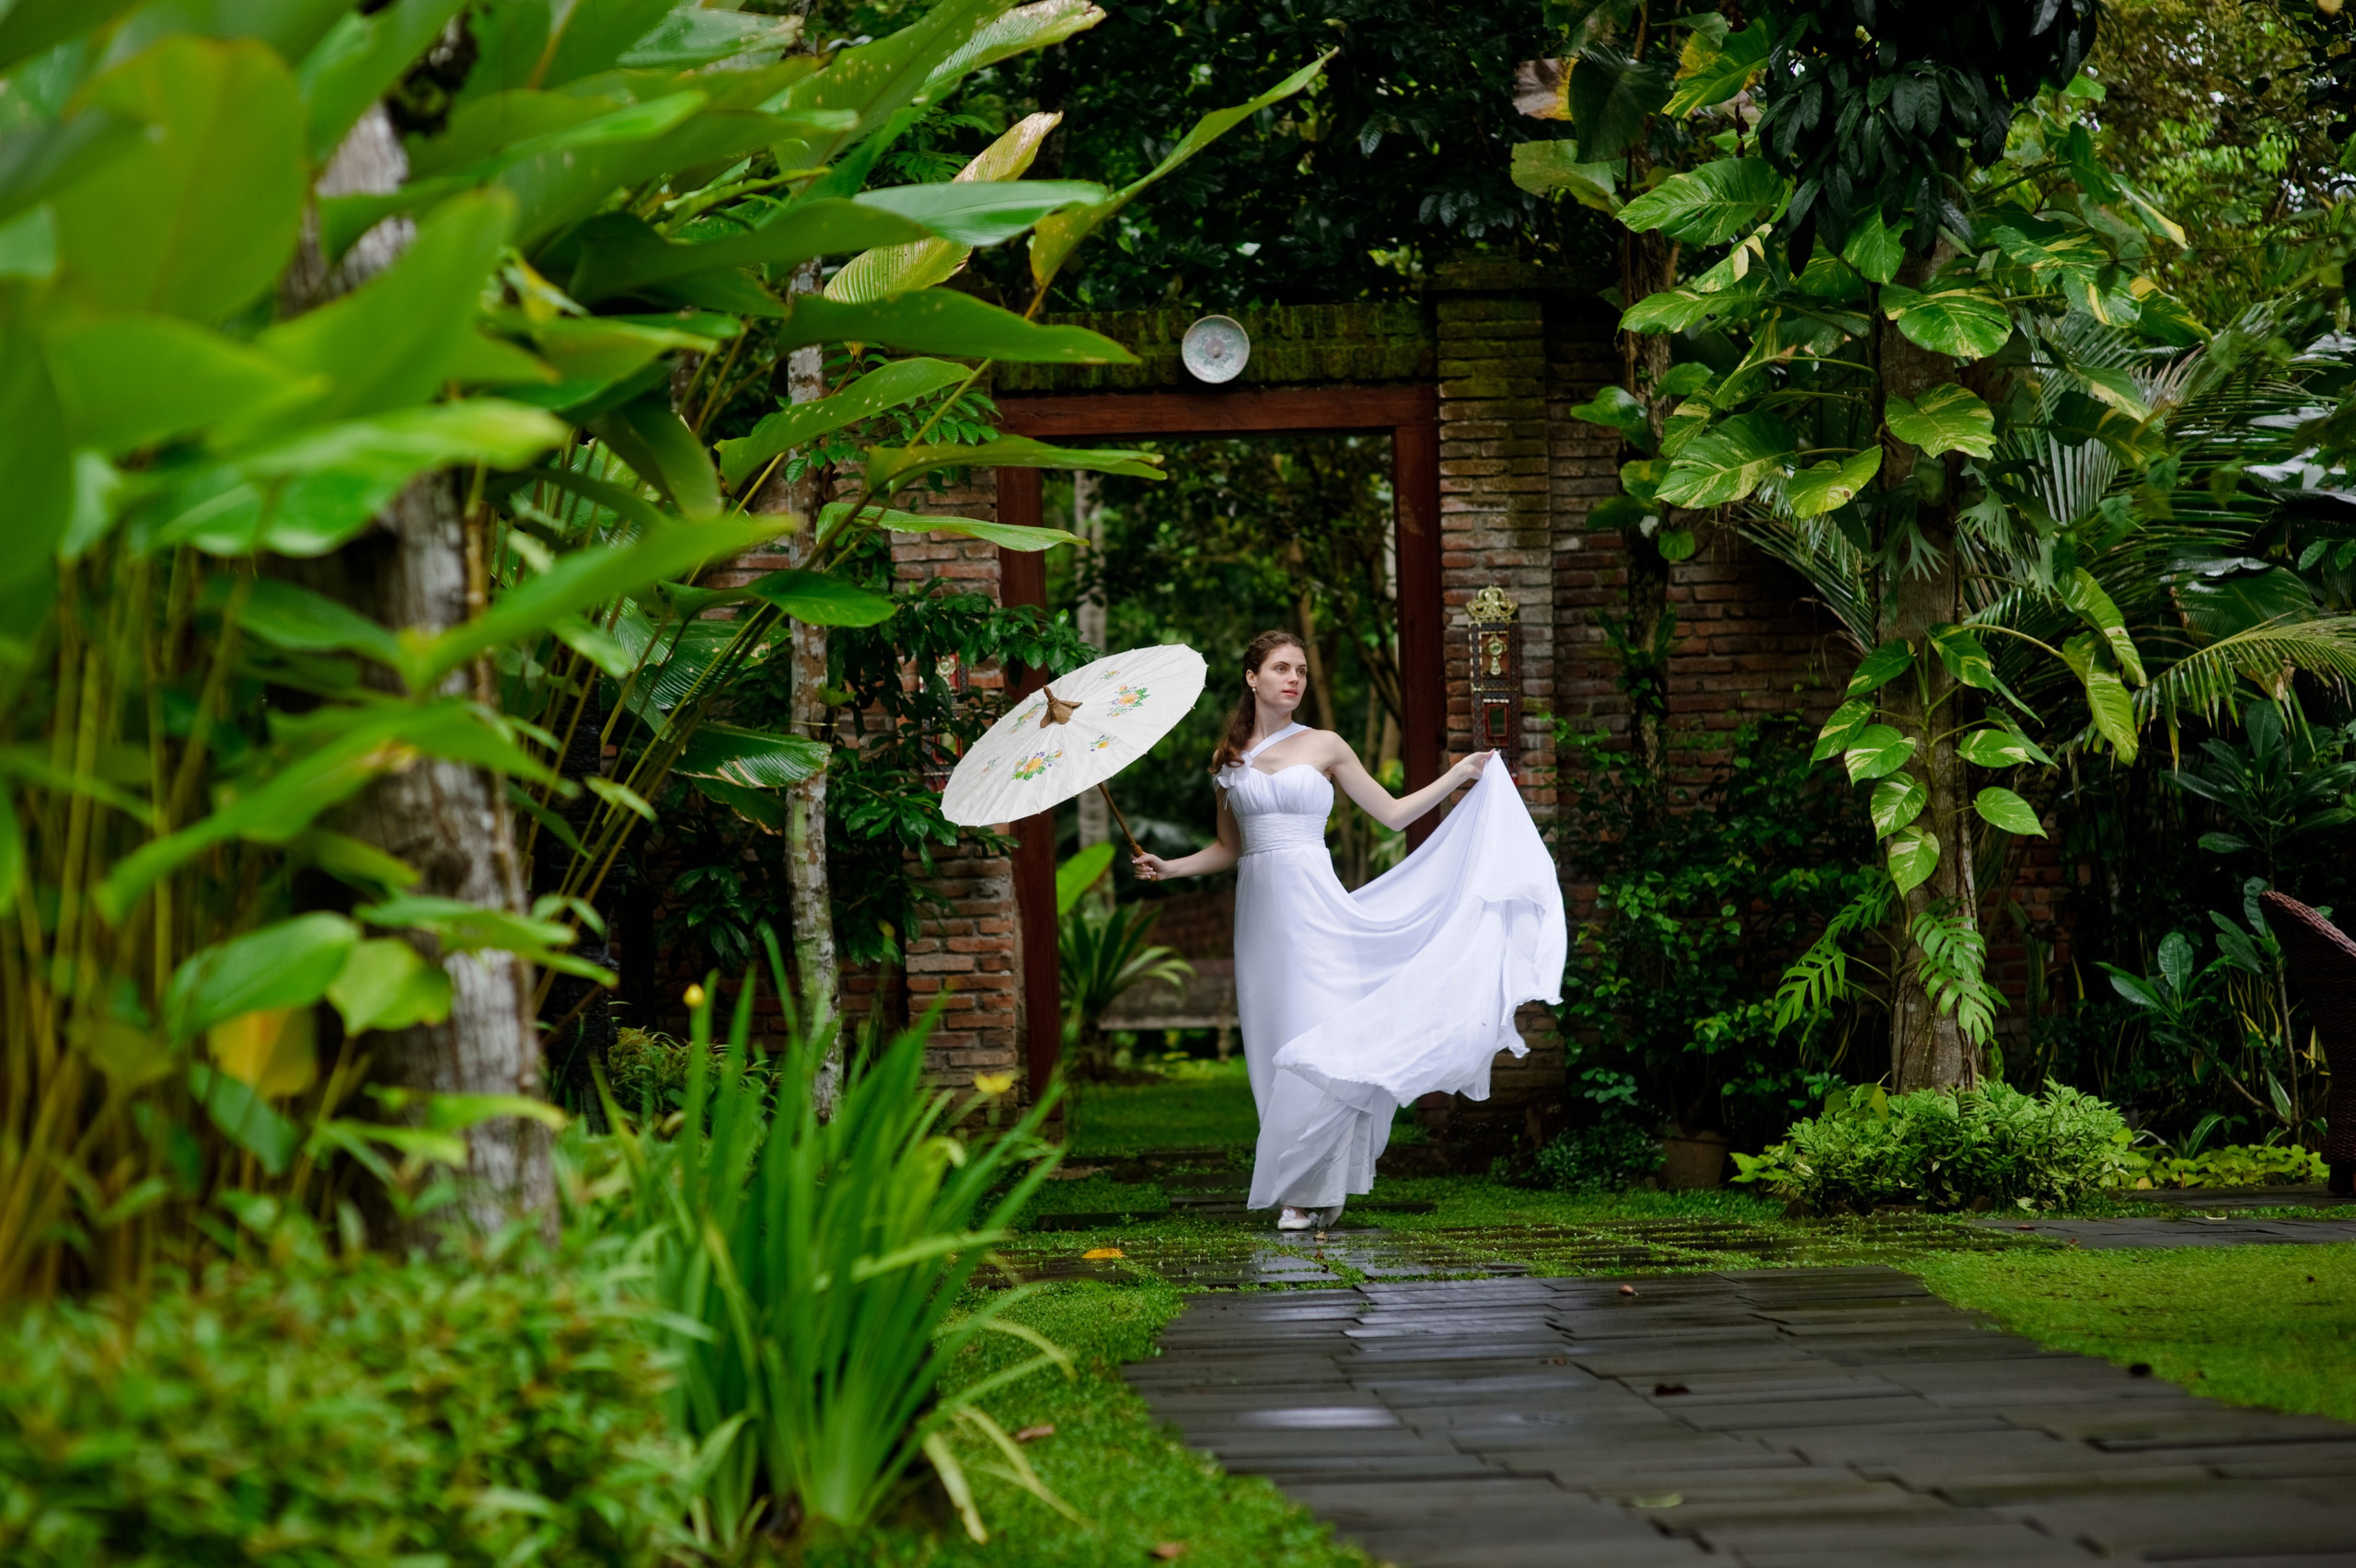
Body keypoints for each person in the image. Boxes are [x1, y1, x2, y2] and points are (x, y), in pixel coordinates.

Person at [1132, 629, 1567, 1232]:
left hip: (1315, 907)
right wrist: (1169, 866)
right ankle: (1307, 1183)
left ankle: (1309, 1190)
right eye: (1281, 668)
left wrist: (1460, 774)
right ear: (1251, 678)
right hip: (1260, 918)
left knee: (1325, 1037)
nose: (1294, 679)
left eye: (1302, 671)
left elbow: (1391, 814)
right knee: (1275, 1048)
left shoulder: (1326, 746)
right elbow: (1229, 847)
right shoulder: (1228, 761)